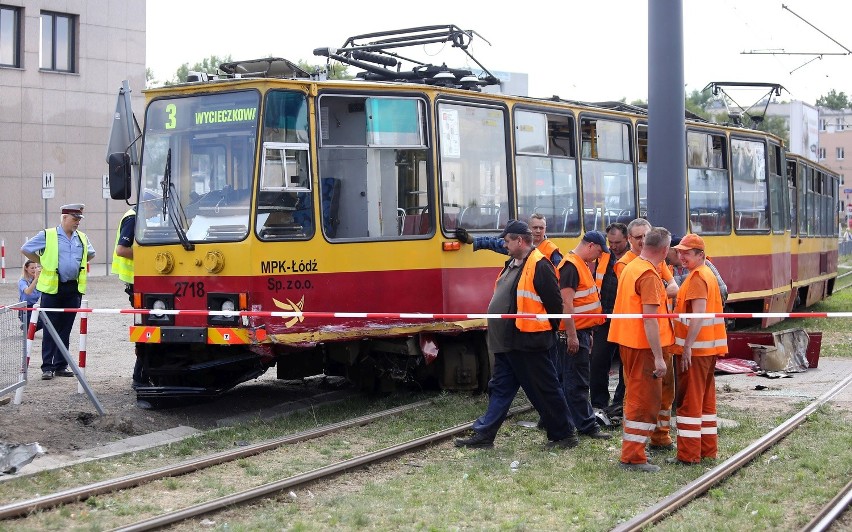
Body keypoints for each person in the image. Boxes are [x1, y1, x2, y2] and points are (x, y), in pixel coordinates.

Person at [454, 220, 579, 450]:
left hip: (530, 342)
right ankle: (484, 434)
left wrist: (545, 332)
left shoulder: (540, 265)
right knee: (500, 389)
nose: (504, 244)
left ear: (520, 240)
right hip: (509, 343)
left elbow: (555, 304)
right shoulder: (514, 262)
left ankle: (564, 435)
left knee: (545, 389)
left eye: (507, 240)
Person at [608, 227, 674, 472]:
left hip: (629, 342)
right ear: (665, 250)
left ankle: (633, 452)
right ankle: (633, 457)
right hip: (643, 346)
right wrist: (659, 358)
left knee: (635, 397)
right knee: (644, 401)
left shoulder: (632, 266)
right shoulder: (648, 275)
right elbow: (650, 319)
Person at [670, 234, 728, 465]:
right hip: (707, 349)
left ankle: (688, 455)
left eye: (687, 253)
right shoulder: (706, 274)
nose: (682, 256)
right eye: (680, 252)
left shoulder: (696, 278)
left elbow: (698, 315)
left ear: (700, 255)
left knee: (689, 403)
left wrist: (686, 348)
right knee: (705, 403)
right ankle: (706, 450)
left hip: (695, 351)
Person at [21, 204, 95, 380]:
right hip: (52, 289)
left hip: (73, 289)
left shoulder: (82, 237)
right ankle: (47, 367)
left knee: (65, 328)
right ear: (64, 218)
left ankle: (61, 365)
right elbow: (25, 249)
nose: (77, 222)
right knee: (50, 328)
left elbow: (91, 254)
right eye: (74, 218)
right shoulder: (48, 235)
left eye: (79, 219)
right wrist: (42, 260)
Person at [555, 231, 612, 439]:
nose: (599, 256)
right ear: (590, 245)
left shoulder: (580, 264)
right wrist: (572, 335)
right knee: (576, 382)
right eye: (599, 251)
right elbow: (566, 303)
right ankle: (587, 426)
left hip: (582, 330)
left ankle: (570, 422)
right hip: (575, 332)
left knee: (571, 380)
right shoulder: (572, 265)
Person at [113, 191, 160, 389]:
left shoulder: (136, 217)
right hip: (136, 281)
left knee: (149, 329)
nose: (155, 213)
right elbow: (121, 249)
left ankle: (143, 376)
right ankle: (139, 378)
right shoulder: (133, 218)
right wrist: (148, 258)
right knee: (148, 330)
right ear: (147, 204)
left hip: (140, 281)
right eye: (155, 208)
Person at [589, 222, 629, 422]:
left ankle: (621, 402)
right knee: (598, 361)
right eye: (610, 242)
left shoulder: (634, 258)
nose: (613, 246)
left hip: (626, 318)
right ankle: (598, 403)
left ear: (627, 239)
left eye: (618, 242)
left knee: (626, 364)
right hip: (604, 317)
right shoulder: (603, 256)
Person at [455, 213, 563, 266]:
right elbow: (495, 243)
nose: (538, 231)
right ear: (529, 229)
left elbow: (559, 278)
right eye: (535, 228)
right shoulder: (520, 245)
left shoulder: (552, 251)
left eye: (541, 228)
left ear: (545, 229)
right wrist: (473, 240)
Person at [667, 236, 728, 305]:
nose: (665, 254)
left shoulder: (704, 266)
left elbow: (722, 290)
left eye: (667, 250)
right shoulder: (668, 269)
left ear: (676, 251)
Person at [18, 260, 42, 331]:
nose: (34, 270)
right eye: (32, 268)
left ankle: (28, 328)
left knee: (47, 320)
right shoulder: (22, 281)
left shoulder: (37, 279)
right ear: (26, 268)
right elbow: (28, 292)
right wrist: (36, 279)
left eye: (36, 267)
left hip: (34, 306)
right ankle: (26, 327)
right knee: (35, 324)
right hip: (24, 309)